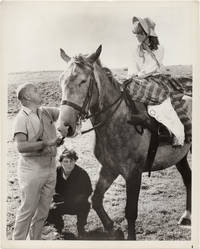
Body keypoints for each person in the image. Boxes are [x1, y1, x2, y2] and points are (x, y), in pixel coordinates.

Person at [127, 16, 191, 146]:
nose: (137, 36)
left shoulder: (159, 49)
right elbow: (132, 69)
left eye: (140, 33)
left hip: (154, 79)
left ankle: (172, 130)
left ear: (147, 34)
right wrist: (134, 75)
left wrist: (139, 75)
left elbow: (152, 68)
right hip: (138, 80)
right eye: (136, 34)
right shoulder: (135, 50)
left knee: (160, 98)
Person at [12, 83, 63, 240]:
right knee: (27, 210)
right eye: (35, 90)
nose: (39, 90)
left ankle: (34, 241)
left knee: (43, 210)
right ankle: (18, 242)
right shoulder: (21, 118)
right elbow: (21, 146)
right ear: (27, 97)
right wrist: (46, 143)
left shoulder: (46, 112)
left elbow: (66, 113)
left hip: (50, 166)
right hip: (32, 170)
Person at [45, 148, 92, 238]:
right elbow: (48, 188)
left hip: (76, 203)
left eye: (71, 161)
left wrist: (76, 198)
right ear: (61, 162)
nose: (69, 164)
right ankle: (57, 228)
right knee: (48, 207)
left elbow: (88, 190)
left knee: (86, 205)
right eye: (65, 161)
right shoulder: (55, 172)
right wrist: (52, 199)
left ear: (75, 161)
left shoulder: (82, 173)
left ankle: (81, 228)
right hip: (60, 202)